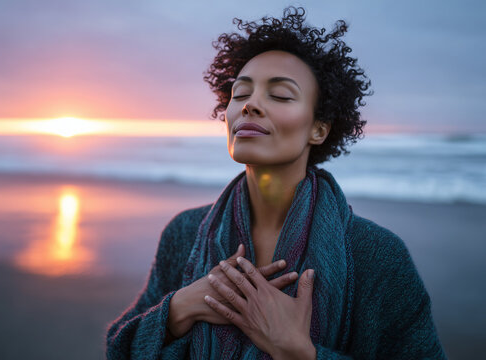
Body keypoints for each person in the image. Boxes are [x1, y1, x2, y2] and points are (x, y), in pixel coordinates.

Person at [106, 6, 447, 360]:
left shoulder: (377, 255)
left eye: (281, 95)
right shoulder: (184, 232)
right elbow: (120, 349)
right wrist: (180, 307)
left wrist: (299, 352)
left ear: (319, 129)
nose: (250, 105)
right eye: (240, 94)